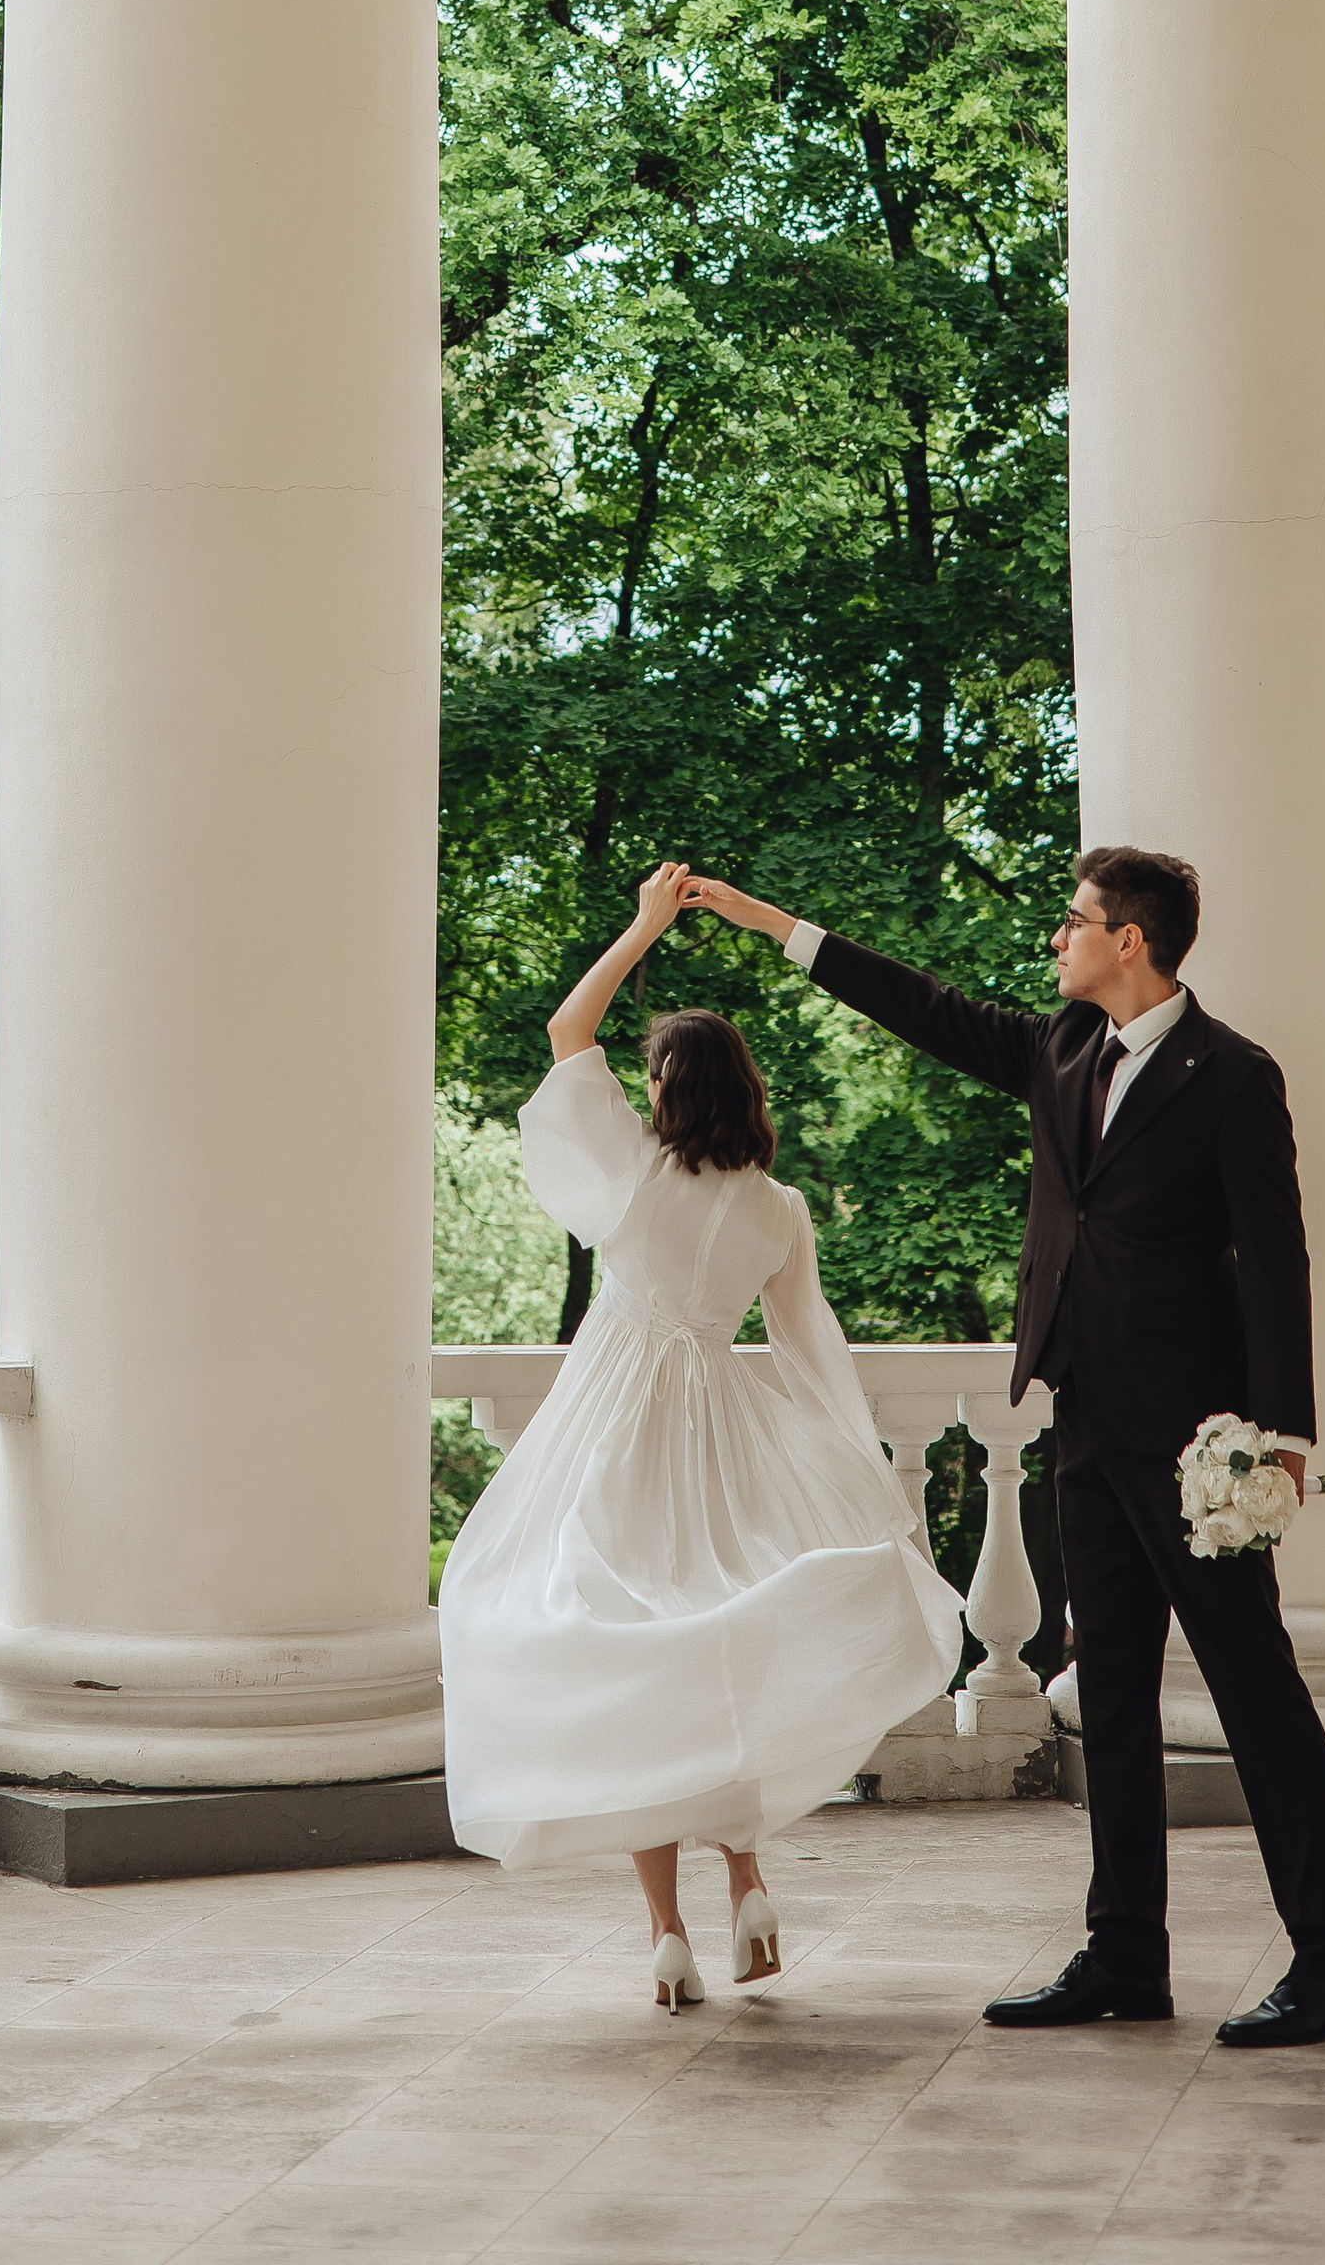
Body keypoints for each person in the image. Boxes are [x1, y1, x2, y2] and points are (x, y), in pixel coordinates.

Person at [683, 848, 1325, 2050]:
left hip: (1197, 1446)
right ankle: (1125, 1956)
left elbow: (1276, 1261)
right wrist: (770, 925)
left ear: (1132, 941)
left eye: (1074, 921)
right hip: (1083, 1425)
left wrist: (1277, 1438)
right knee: (1103, 1697)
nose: (1056, 938)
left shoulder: (1233, 1078)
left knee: (1255, 1695)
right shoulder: (1059, 1051)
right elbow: (922, 1008)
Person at [438, 862, 963, 2013]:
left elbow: (566, 1025)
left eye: (650, 1070)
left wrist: (641, 927)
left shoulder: (635, 1171)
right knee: (717, 1643)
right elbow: (812, 1350)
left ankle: (668, 1936)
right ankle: (752, 1887)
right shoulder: (778, 1210)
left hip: (616, 1423)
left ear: (669, 1086)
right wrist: (862, 1481)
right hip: (723, 1426)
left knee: (624, 1650)